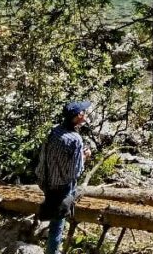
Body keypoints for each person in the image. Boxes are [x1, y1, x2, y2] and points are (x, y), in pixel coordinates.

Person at [36, 101, 91, 254]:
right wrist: (84, 157)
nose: (85, 114)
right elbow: (75, 172)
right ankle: (52, 251)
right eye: (83, 112)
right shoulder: (75, 139)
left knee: (55, 213)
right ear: (78, 116)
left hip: (45, 180)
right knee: (57, 224)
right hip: (61, 186)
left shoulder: (54, 130)